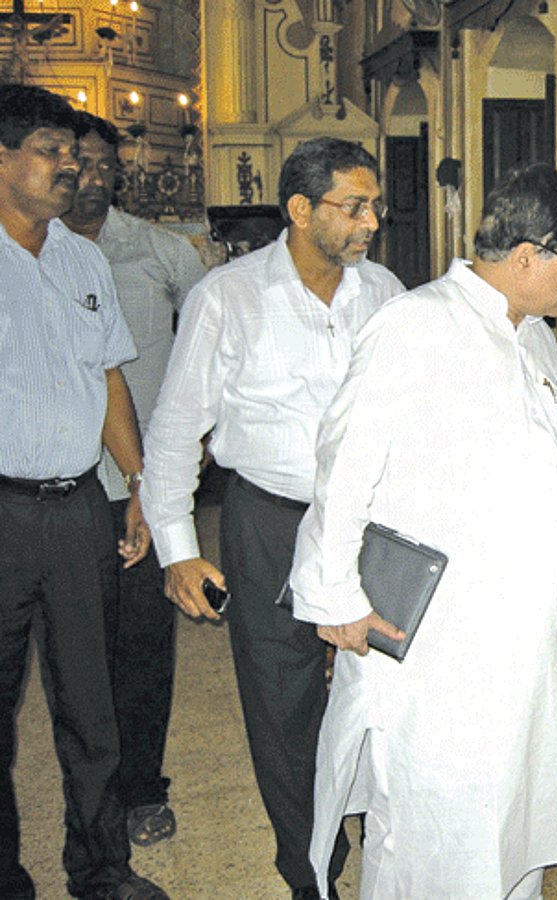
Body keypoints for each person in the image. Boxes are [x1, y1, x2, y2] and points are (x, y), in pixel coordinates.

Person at [287, 162, 557, 899]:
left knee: (508, 816)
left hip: (513, 633)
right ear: (530, 254)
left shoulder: (525, 334)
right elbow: (344, 467)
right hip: (440, 639)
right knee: (437, 821)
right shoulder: (417, 324)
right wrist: (336, 598)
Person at [140, 136, 403, 899]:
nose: (371, 221)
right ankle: (313, 872)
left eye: (374, 205)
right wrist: (178, 549)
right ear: (299, 209)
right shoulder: (228, 296)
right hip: (270, 521)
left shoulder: (383, 291)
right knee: (284, 703)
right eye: (354, 206)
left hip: (368, 525)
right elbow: (174, 426)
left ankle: (386, 842)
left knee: (379, 691)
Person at [0, 85, 167, 900]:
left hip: (76, 509)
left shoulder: (81, 258)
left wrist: (136, 483)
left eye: (73, 152)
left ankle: (101, 870)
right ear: (0, 158)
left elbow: (109, 380)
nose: (70, 165)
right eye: (49, 148)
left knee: (91, 708)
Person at [61, 112, 207, 849]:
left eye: (98, 163)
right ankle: (86, 794)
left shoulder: (160, 254)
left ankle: (143, 785)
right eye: (72, 160)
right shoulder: (30, 256)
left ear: (117, 172)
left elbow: (215, 345)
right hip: (55, 486)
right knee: (72, 650)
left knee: (142, 645)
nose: (87, 175)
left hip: (140, 484)